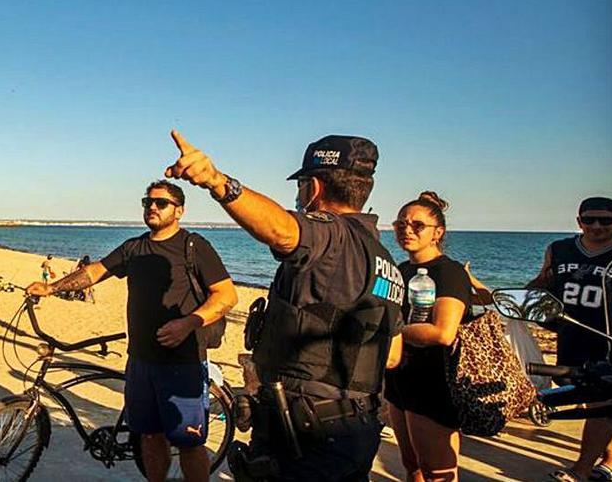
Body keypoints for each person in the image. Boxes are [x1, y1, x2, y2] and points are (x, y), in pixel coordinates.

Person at [164, 130, 404, 481]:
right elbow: (393, 355)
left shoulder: (331, 234)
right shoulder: (387, 263)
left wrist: (216, 182)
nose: (298, 196)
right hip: (356, 430)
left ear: (314, 188)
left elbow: (283, 231)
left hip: (307, 437)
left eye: (301, 186)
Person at [27, 179, 238, 482]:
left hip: (183, 363)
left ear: (179, 210)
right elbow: (94, 272)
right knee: (149, 437)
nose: (152, 207)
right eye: (147, 202)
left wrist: (188, 322)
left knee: (189, 444)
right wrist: (51, 287)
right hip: (140, 361)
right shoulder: (134, 248)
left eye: (161, 202)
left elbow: (226, 296)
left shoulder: (194, 246)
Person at [531, 197, 612, 482]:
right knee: (586, 402)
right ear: (579, 221)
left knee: (603, 401)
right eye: (589, 220)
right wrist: (522, 299)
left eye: (605, 220)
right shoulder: (559, 249)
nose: (596, 226)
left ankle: (581, 469)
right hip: (571, 334)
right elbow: (543, 283)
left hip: (611, 341)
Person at [383, 192, 474, 482]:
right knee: (412, 464)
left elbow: (442, 333)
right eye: (400, 225)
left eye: (417, 225)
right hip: (400, 380)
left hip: (434, 384)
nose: (407, 231)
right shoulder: (402, 270)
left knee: (439, 473)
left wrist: (390, 332)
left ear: (438, 232)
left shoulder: (449, 272)